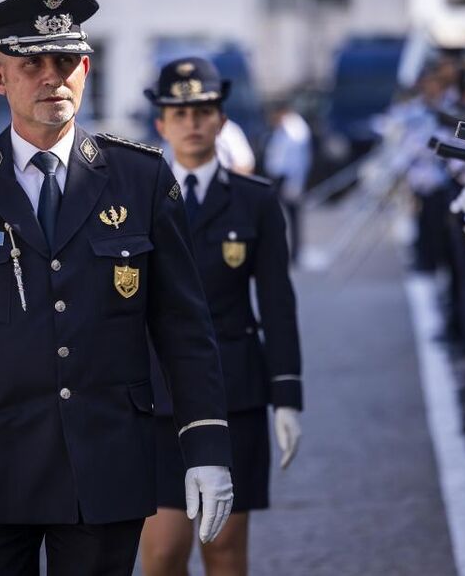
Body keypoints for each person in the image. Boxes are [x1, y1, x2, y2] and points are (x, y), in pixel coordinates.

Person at [0, 0, 234, 576]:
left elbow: (183, 327)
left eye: (65, 62)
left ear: (86, 70)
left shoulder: (138, 178)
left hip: (105, 459)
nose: (52, 77)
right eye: (31, 64)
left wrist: (208, 447)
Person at [139, 57, 303, 576]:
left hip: (235, 391)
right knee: (163, 552)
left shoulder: (254, 201)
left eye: (203, 111)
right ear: (161, 122)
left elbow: (276, 301)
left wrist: (287, 394)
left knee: (225, 548)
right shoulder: (131, 198)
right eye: (179, 112)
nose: (192, 123)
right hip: (155, 394)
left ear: (221, 120)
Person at [264, 98, 311, 263]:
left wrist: (296, 183)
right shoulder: (283, 128)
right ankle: (281, 250)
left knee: (290, 216)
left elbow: (299, 160)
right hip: (279, 177)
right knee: (276, 216)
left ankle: (295, 253)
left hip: (288, 178)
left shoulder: (295, 130)